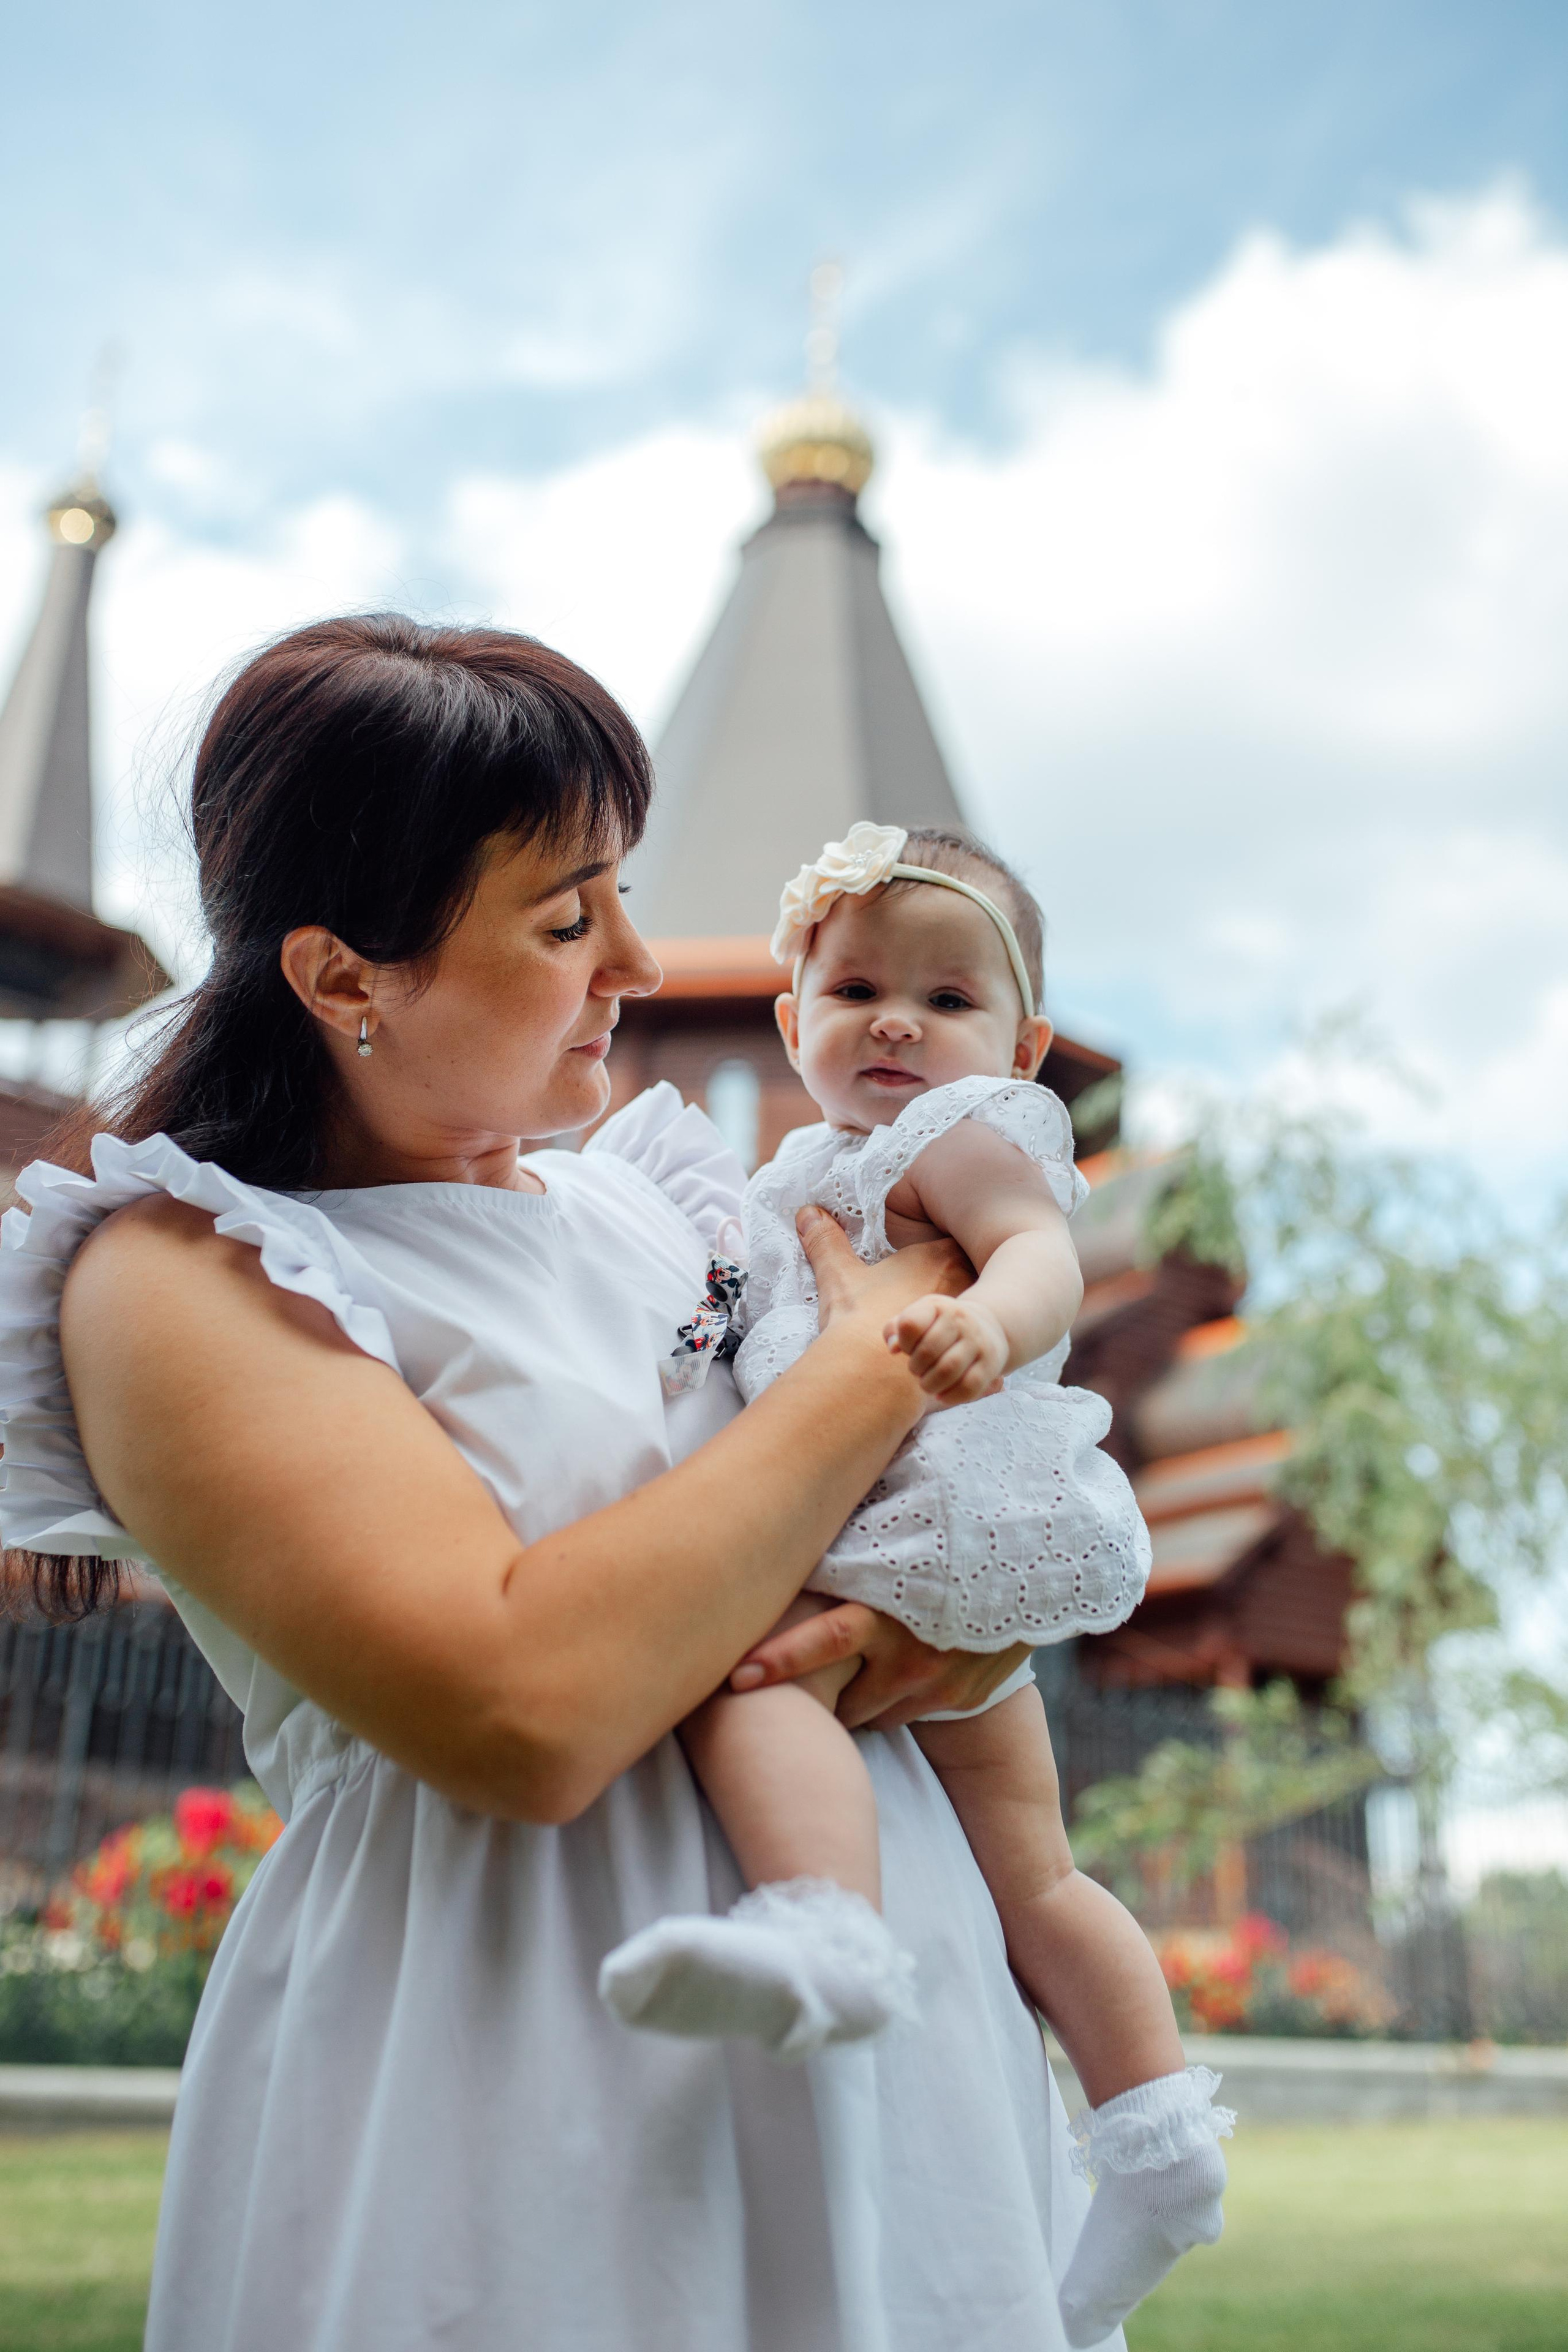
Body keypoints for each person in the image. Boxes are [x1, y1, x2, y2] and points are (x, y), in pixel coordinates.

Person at [1, 618, 1142, 2352]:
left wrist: (948, 1642)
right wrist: (872, 1356)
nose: (625, 957)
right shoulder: (191, 1279)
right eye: (562, 918)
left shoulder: (662, 1207)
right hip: (510, 2045)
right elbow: (523, 1701)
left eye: (615, 895)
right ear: (343, 978)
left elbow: (922, 1514)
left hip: (893, 2036)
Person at [599, 823, 1232, 2345]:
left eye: (947, 1000)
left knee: (753, 1685)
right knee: (1033, 1871)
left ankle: (824, 1924)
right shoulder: (792, 1179)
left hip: (920, 1516)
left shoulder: (948, 1139)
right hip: (964, 1554)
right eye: (858, 986)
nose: (898, 1021)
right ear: (788, 1021)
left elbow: (1040, 1254)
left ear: (1016, 1047)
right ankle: (1155, 2138)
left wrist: (988, 1331)